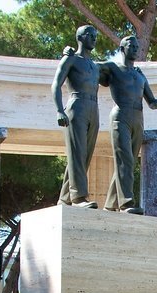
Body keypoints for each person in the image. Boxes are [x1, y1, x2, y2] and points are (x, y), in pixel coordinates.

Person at [100, 35, 157, 214]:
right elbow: (90, 68)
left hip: (138, 118)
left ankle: (110, 204)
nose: (137, 48)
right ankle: (126, 203)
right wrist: (72, 55)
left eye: (138, 45)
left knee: (127, 162)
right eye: (132, 45)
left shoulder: (140, 75)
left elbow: (151, 102)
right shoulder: (112, 67)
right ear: (122, 48)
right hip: (120, 115)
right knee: (125, 160)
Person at [52, 25, 100, 209]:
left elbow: (114, 73)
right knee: (77, 152)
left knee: (83, 155)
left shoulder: (95, 66)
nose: (94, 38)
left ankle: (64, 198)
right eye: (90, 35)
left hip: (93, 108)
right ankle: (78, 198)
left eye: (96, 35)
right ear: (80, 37)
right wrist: (59, 110)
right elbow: (56, 84)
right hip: (76, 104)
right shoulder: (70, 59)